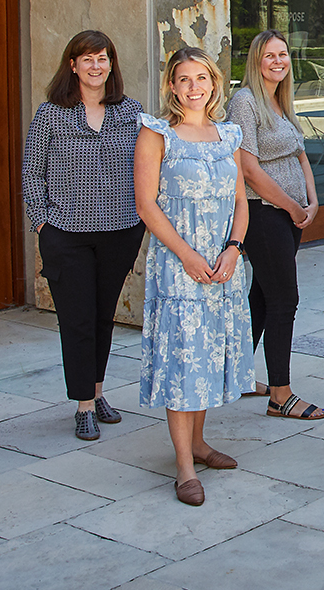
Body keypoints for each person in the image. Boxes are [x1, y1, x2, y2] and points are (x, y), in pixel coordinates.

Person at [134, 48, 254, 507]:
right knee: (183, 360)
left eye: (201, 77)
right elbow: (148, 206)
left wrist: (233, 249)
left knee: (208, 356)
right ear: (171, 85)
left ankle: (201, 444)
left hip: (223, 267)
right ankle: (184, 464)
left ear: (214, 82)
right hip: (178, 266)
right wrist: (186, 255)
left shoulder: (229, 135)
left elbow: (241, 202)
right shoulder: (156, 133)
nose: (193, 87)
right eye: (183, 79)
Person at [23, 30, 146, 442]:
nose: (96, 66)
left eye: (103, 57)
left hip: (119, 232)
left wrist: (140, 222)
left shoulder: (132, 112)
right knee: (77, 321)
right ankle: (83, 406)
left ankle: (96, 392)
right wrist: (41, 222)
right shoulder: (51, 114)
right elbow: (31, 174)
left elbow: (147, 168)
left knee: (102, 318)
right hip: (66, 235)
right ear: (72, 65)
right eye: (87, 58)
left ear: (112, 64)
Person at [226, 30, 324, 421]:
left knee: (262, 297)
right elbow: (247, 168)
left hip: (290, 213)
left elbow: (301, 155)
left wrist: (312, 200)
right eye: (270, 56)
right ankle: (280, 395)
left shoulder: (280, 101)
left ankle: (236, 373)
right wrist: (290, 206)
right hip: (263, 214)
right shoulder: (245, 103)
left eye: (283, 54)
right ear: (256, 60)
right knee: (285, 300)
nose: (278, 61)